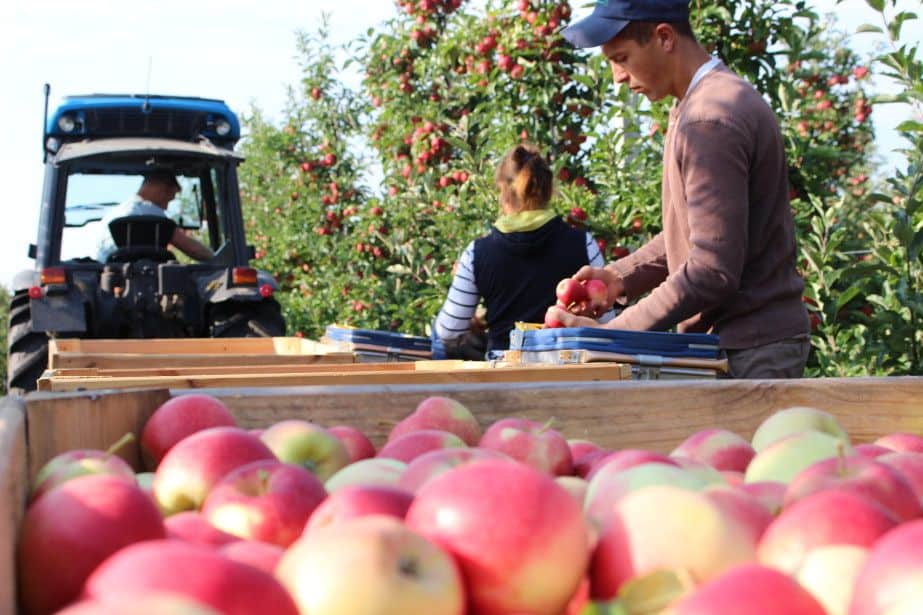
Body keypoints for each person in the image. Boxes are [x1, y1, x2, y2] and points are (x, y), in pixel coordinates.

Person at [548, 0, 811, 379]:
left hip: (749, 351)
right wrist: (621, 277)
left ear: (665, 38)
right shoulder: (702, 104)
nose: (617, 76)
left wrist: (610, 335)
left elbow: (710, 271)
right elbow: (699, 234)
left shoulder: (709, 120)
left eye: (621, 57)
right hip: (743, 344)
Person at [434, 144, 612, 355]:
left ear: (503, 191)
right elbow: (608, 320)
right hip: (565, 368)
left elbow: (449, 331)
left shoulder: (478, 252)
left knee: (438, 335)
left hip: (505, 373)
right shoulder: (583, 243)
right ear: (548, 191)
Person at [96, 171, 213, 262]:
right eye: (168, 199)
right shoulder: (147, 210)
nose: (166, 208)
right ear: (160, 190)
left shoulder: (114, 213)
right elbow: (194, 250)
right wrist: (216, 258)